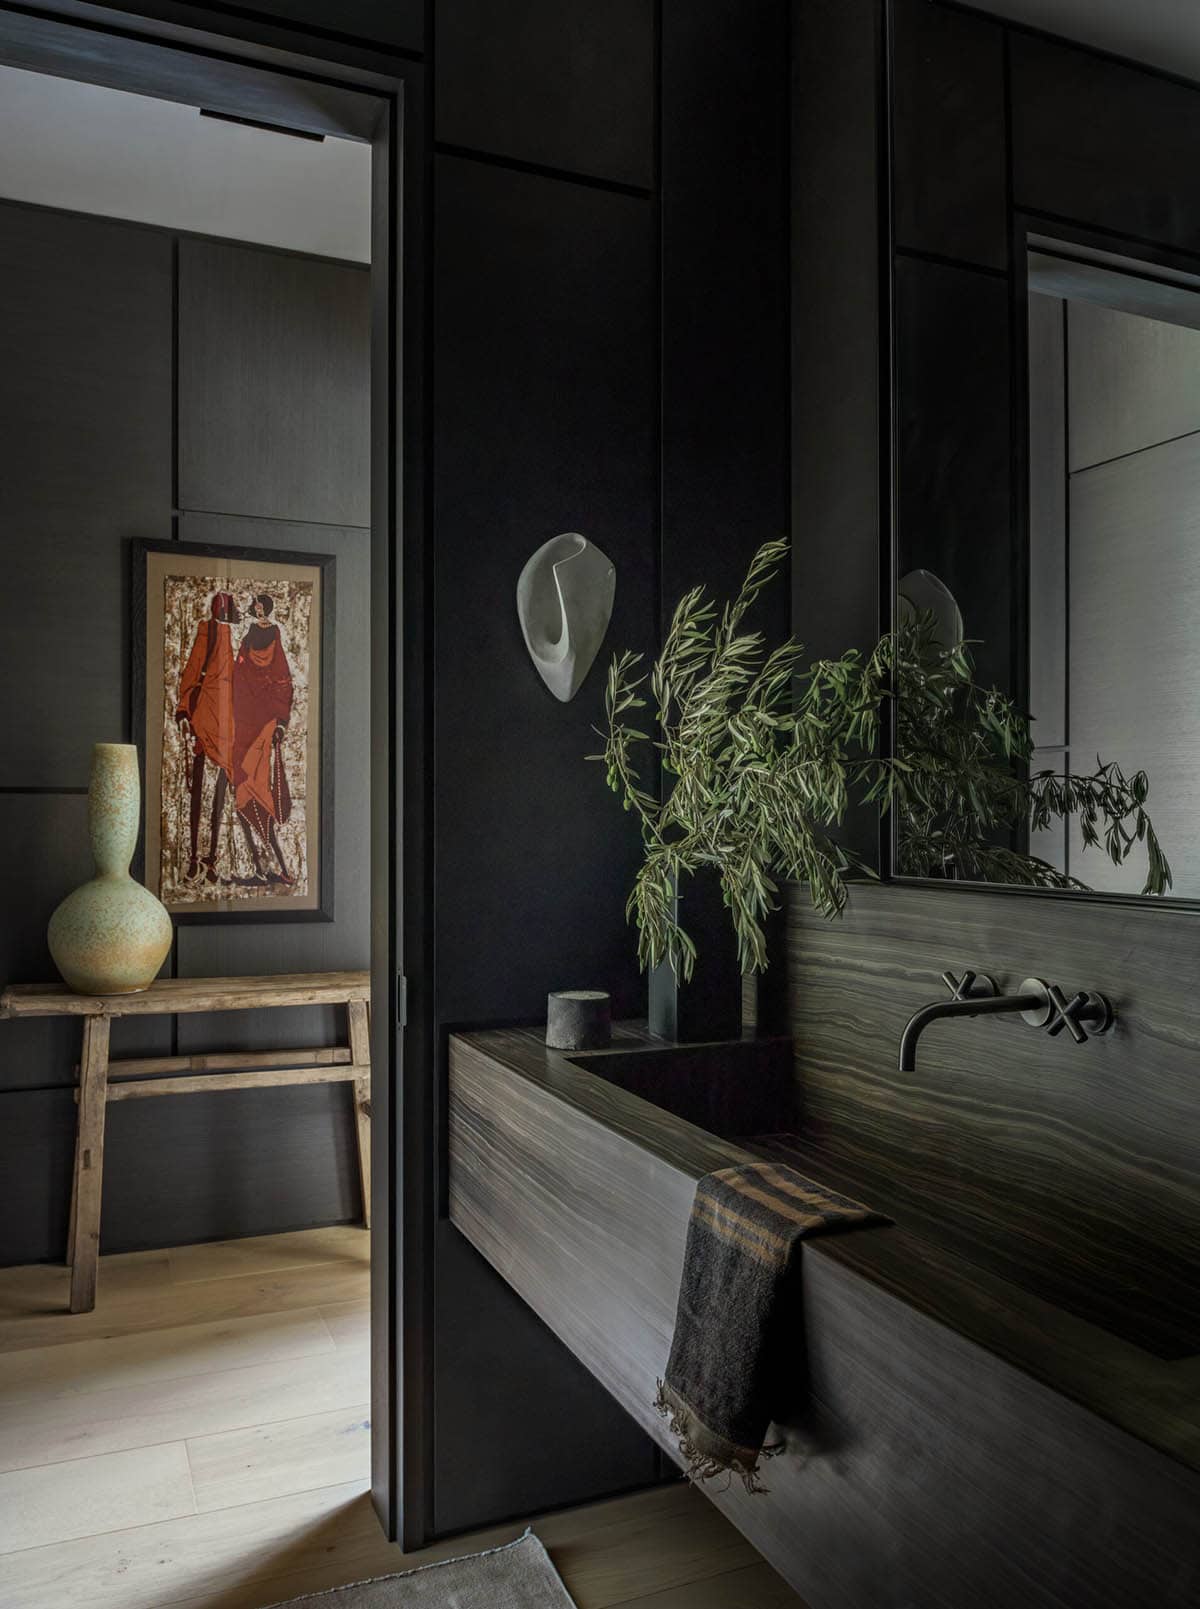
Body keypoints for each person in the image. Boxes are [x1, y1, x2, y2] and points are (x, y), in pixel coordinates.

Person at [175, 590, 239, 883]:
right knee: (198, 788)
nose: (221, 609)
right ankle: (192, 857)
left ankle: (212, 859)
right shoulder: (207, 630)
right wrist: (184, 709)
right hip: (206, 714)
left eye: (224, 606)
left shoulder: (244, 635)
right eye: (218, 605)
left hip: (230, 719)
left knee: (220, 790)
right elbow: (193, 667)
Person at [232, 592, 296, 886]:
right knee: (242, 788)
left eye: (262, 607)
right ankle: (261, 865)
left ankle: (277, 865)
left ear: (267, 609)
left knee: (258, 788)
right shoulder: (247, 636)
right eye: (255, 607)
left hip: (262, 724)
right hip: (243, 723)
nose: (258, 611)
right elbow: (238, 675)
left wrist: (280, 722)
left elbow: (282, 679)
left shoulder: (274, 635)